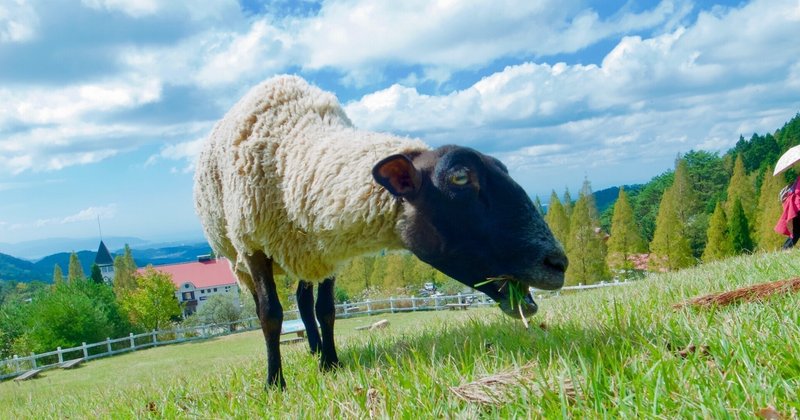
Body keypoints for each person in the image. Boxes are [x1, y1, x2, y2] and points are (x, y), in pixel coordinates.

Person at [775, 175, 800, 249]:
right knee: (796, 233)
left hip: (796, 209)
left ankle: (785, 249)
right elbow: (798, 192)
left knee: (796, 233)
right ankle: (785, 249)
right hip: (798, 208)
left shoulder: (798, 178)